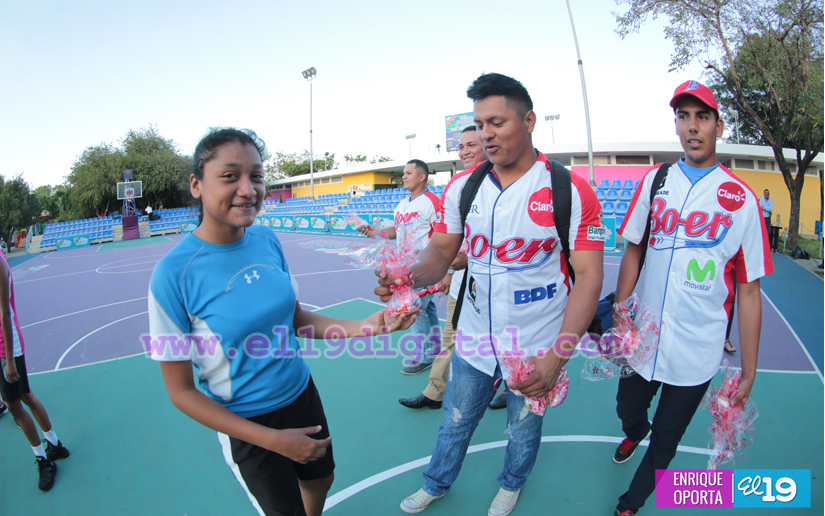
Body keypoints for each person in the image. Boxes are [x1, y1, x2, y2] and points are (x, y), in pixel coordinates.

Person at [148, 128, 417, 516]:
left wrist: (368, 325)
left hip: (300, 393)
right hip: (247, 422)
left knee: (322, 479)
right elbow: (181, 392)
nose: (247, 189)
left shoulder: (266, 240)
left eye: (256, 176)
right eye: (230, 176)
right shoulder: (172, 273)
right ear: (196, 184)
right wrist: (273, 440)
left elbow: (297, 321)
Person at [377, 73, 605, 516]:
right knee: (456, 421)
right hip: (476, 336)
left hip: (538, 342)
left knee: (522, 428)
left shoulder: (569, 189)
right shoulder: (464, 187)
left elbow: (589, 277)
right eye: (480, 124)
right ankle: (436, 482)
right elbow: (441, 250)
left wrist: (557, 355)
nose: (486, 134)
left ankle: (511, 483)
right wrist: (405, 277)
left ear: (530, 120)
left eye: (497, 122)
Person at [610, 81, 773, 516]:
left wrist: (749, 371)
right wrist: (622, 312)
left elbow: (750, 290)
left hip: (698, 348)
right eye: (683, 116)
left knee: (667, 439)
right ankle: (633, 429)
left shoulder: (741, 200)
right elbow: (634, 248)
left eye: (702, 117)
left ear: (719, 125)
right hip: (643, 336)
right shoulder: (656, 180)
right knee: (628, 406)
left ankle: (630, 503)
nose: (692, 127)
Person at [398, 126, 496, 410]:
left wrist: (463, 263)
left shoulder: (505, 187)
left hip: (497, 285)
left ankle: (504, 383)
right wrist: (448, 271)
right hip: (463, 281)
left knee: (501, 337)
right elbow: (446, 243)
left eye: (471, 145)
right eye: (461, 146)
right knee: (450, 333)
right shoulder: (458, 188)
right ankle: (434, 391)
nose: (464, 151)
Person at [358, 159, 442, 375]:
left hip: (425, 266)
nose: (403, 177)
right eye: (403, 173)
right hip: (406, 268)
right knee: (426, 308)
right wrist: (376, 231)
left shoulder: (433, 202)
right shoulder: (402, 205)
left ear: (422, 177)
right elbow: (396, 230)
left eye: (408, 173)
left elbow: (444, 233)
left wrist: (445, 267)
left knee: (413, 309)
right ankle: (435, 349)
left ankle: (423, 357)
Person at [0, 249, 70, 492]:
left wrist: (9, 358)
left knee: (15, 406)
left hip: (6, 347)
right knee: (26, 396)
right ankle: (55, 445)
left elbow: (5, 312)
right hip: (4, 348)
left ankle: (44, 460)